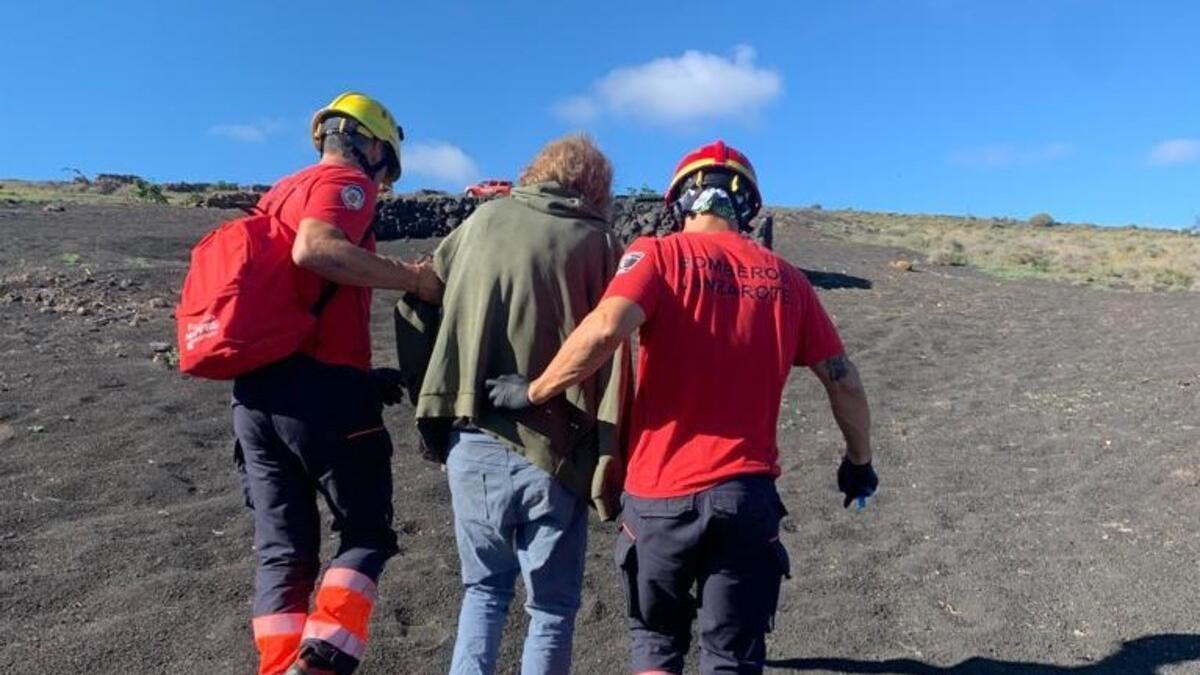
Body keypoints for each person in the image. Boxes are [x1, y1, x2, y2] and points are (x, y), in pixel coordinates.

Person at [486, 140, 878, 675]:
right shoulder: (790, 281)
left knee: (656, 643)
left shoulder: (657, 254)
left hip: (659, 498)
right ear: (747, 206)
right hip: (745, 499)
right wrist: (859, 463)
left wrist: (534, 391)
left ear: (681, 200)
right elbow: (844, 381)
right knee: (731, 657)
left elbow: (605, 329)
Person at [232, 91, 441, 675]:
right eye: (386, 163)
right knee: (368, 533)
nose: (382, 179)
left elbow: (290, 293)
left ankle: (277, 667)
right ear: (371, 144)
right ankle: (322, 662)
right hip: (321, 392)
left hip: (255, 395)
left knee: (284, 552)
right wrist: (414, 282)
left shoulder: (278, 194)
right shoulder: (346, 185)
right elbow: (316, 250)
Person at [406, 134, 629, 675]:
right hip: (556, 449)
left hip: (472, 439)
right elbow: (618, 345)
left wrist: (431, 407)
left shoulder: (481, 223)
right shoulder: (599, 244)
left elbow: (421, 298)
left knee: (482, 591)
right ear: (596, 186)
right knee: (551, 609)